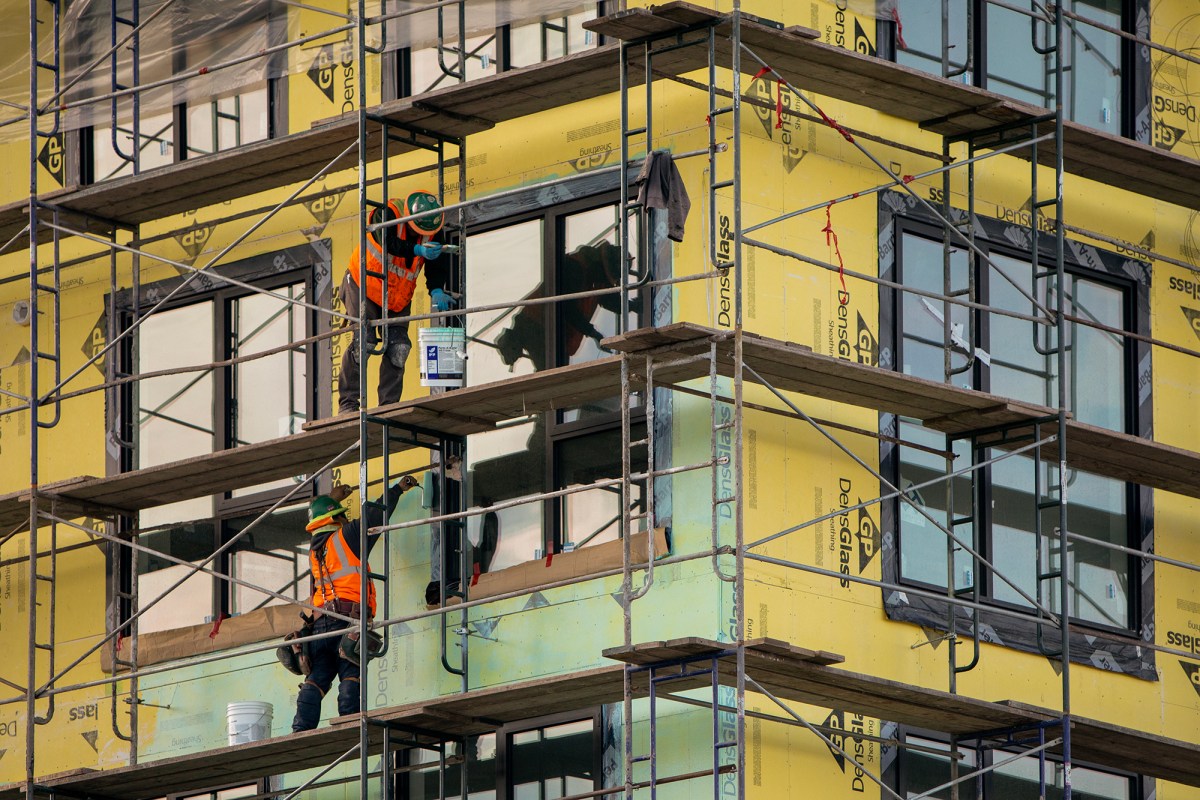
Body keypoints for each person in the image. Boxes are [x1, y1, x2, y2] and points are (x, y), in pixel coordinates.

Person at [291, 476, 418, 732]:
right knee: (351, 670)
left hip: (319, 627)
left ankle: (301, 728)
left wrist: (334, 498)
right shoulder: (346, 537)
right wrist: (398, 489)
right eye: (343, 516)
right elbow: (375, 515)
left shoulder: (315, 551)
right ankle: (350, 723)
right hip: (348, 620)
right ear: (336, 520)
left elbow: (317, 509)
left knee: (316, 679)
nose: (348, 520)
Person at [338, 191, 457, 413]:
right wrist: (416, 249)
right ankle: (348, 403)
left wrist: (437, 288)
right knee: (364, 342)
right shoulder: (388, 214)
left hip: (397, 295)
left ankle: (389, 405)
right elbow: (388, 241)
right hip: (362, 284)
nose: (418, 234)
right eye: (415, 230)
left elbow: (436, 264)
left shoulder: (433, 228)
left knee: (399, 347)